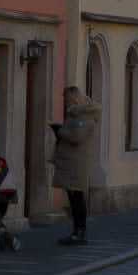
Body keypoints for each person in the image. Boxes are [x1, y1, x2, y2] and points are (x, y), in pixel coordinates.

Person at [51, 84, 102, 246]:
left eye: (66, 98)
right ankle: (76, 231)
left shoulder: (85, 116)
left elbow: (77, 137)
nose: (64, 102)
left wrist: (59, 130)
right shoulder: (75, 114)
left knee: (77, 199)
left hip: (77, 164)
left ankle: (80, 232)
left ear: (73, 97)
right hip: (70, 162)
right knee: (73, 199)